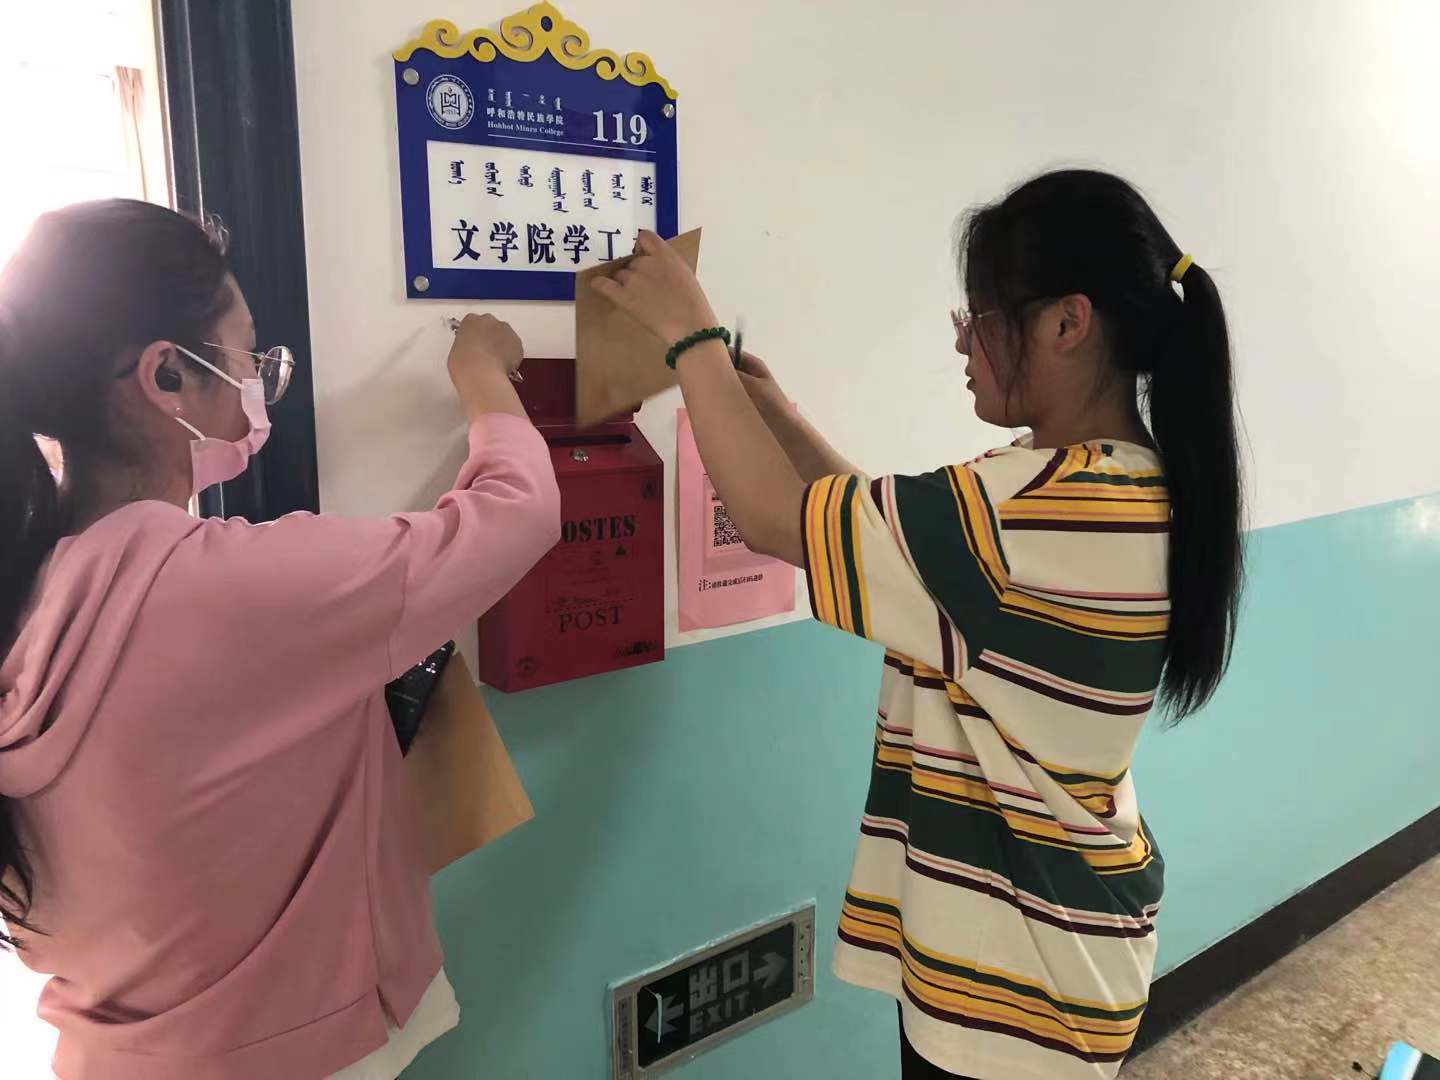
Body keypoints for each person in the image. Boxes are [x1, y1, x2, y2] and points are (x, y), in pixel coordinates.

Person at [593, 169, 1244, 1079]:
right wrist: (775, 414)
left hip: (1013, 989)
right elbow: (896, 549)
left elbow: (781, 523)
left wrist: (690, 338)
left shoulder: (1031, 510)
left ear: (1067, 323)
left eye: (982, 317)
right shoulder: (1117, 484)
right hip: (1058, 947)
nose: (963, 341)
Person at [0, 200, 560, 1079]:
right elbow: (517, 514)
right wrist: (483, 371)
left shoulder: (29, 589)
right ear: (167, 375)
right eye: (247, 358)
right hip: (291, 1050)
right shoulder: (222, 587)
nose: (257, 385)